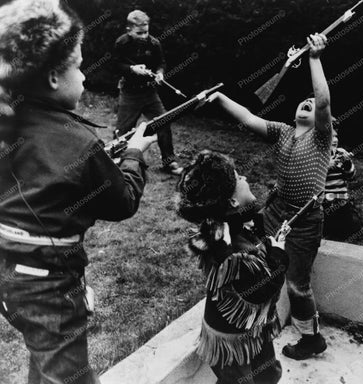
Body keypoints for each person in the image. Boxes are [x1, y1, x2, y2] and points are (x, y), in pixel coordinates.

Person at [0, 1, 157, 382]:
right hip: (48, 286)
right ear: (54, 77)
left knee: (45, 358)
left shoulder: (8, 120)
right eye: (79, 66)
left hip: (9, 274)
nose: (85, 77)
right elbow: (122, 203)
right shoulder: (81, 143)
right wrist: (134, 155)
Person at [206, 33, 332, 360]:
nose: (308, 102)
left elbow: (324, 102)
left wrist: (314, 60)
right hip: (275, 212)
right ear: (292, 115)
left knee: (297, 285)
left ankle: (311, 338)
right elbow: (248, 118)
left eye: (311, 103)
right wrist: (218, 97)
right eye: (301, 102)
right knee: (262, 268)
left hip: (304, 222)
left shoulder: (321, 138)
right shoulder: (282, 132)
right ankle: (259, 323)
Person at [177, 150, 290, 383]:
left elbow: (251, 219)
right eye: (239, 178)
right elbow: (264, 287)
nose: (245, 179)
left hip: (253, 327)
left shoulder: (230, 226)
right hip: (230, 338)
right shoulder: (230, 253)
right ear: (232, 201)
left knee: (268, 373)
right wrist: (277, 252)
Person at [114, 9, 183, 175]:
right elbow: (115, 64)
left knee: (164, 122)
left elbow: (161, 63)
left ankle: (169, 162)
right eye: (140, 33)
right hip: (129, 93)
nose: (144, 36)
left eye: (146, 31)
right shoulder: (121, 43)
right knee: (123, 130)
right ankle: (116, 162)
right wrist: (131, 69)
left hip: (149, 93)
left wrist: (160, 73)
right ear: (129, 30)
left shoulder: (154, 44)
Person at [323, 129, 362, 240]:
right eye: (330, 137)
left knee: (346, 228)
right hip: (324, 201)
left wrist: (347, 164)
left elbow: (351, 176)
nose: (334, 140)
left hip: (341, 200)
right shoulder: (317, 155)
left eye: (336, 136)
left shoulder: (341, 153)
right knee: (325, 228)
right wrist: (328, 165)